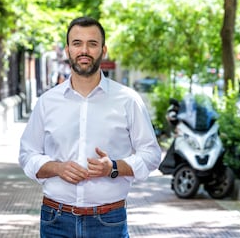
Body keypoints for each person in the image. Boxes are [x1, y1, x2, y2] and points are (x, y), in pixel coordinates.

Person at [18, 16, 162, 238]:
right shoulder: (47, 101)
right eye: (77, 43)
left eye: (92, 44)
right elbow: (27, 155)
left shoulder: (127, 100)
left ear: (103, 50)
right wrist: (57, 168)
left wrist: (114, 167)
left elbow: (151, 155)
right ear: (68, 50)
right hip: (56, 220)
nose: (84, 50)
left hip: (108, 223)